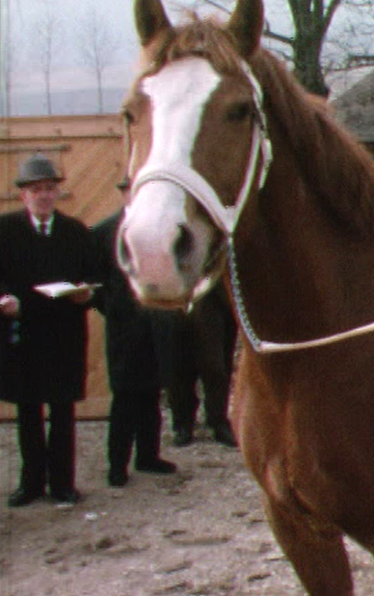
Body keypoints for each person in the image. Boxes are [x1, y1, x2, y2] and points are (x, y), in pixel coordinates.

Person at [0, 154, 96, 507]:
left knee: (63, 412)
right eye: (35, 190)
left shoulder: (75, 232)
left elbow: (92, 275)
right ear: (23, 195)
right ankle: (31, 483)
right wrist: (4, 299)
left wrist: (85, 294)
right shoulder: (5, 230)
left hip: (63, 335)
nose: (43, 195)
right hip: (23, 335)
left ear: (57, 194)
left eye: (49, 189)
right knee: (27, 413)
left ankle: (62, 484)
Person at [91, 179, 177, 487]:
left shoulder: (161, 228)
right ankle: (117, 464)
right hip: (124, 329)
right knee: (125, 396)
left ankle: (148, 456)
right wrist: (115, 308)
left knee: (152, 392)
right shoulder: (104, 232)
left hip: (156, 324)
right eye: (133, 190)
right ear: (124, 193)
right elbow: (95, 282)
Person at [160, 281, 238, 448]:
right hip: (178, 297)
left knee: (216, 366)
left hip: (215, 298)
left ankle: (218, 420)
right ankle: (183, 423)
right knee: (179, 366)